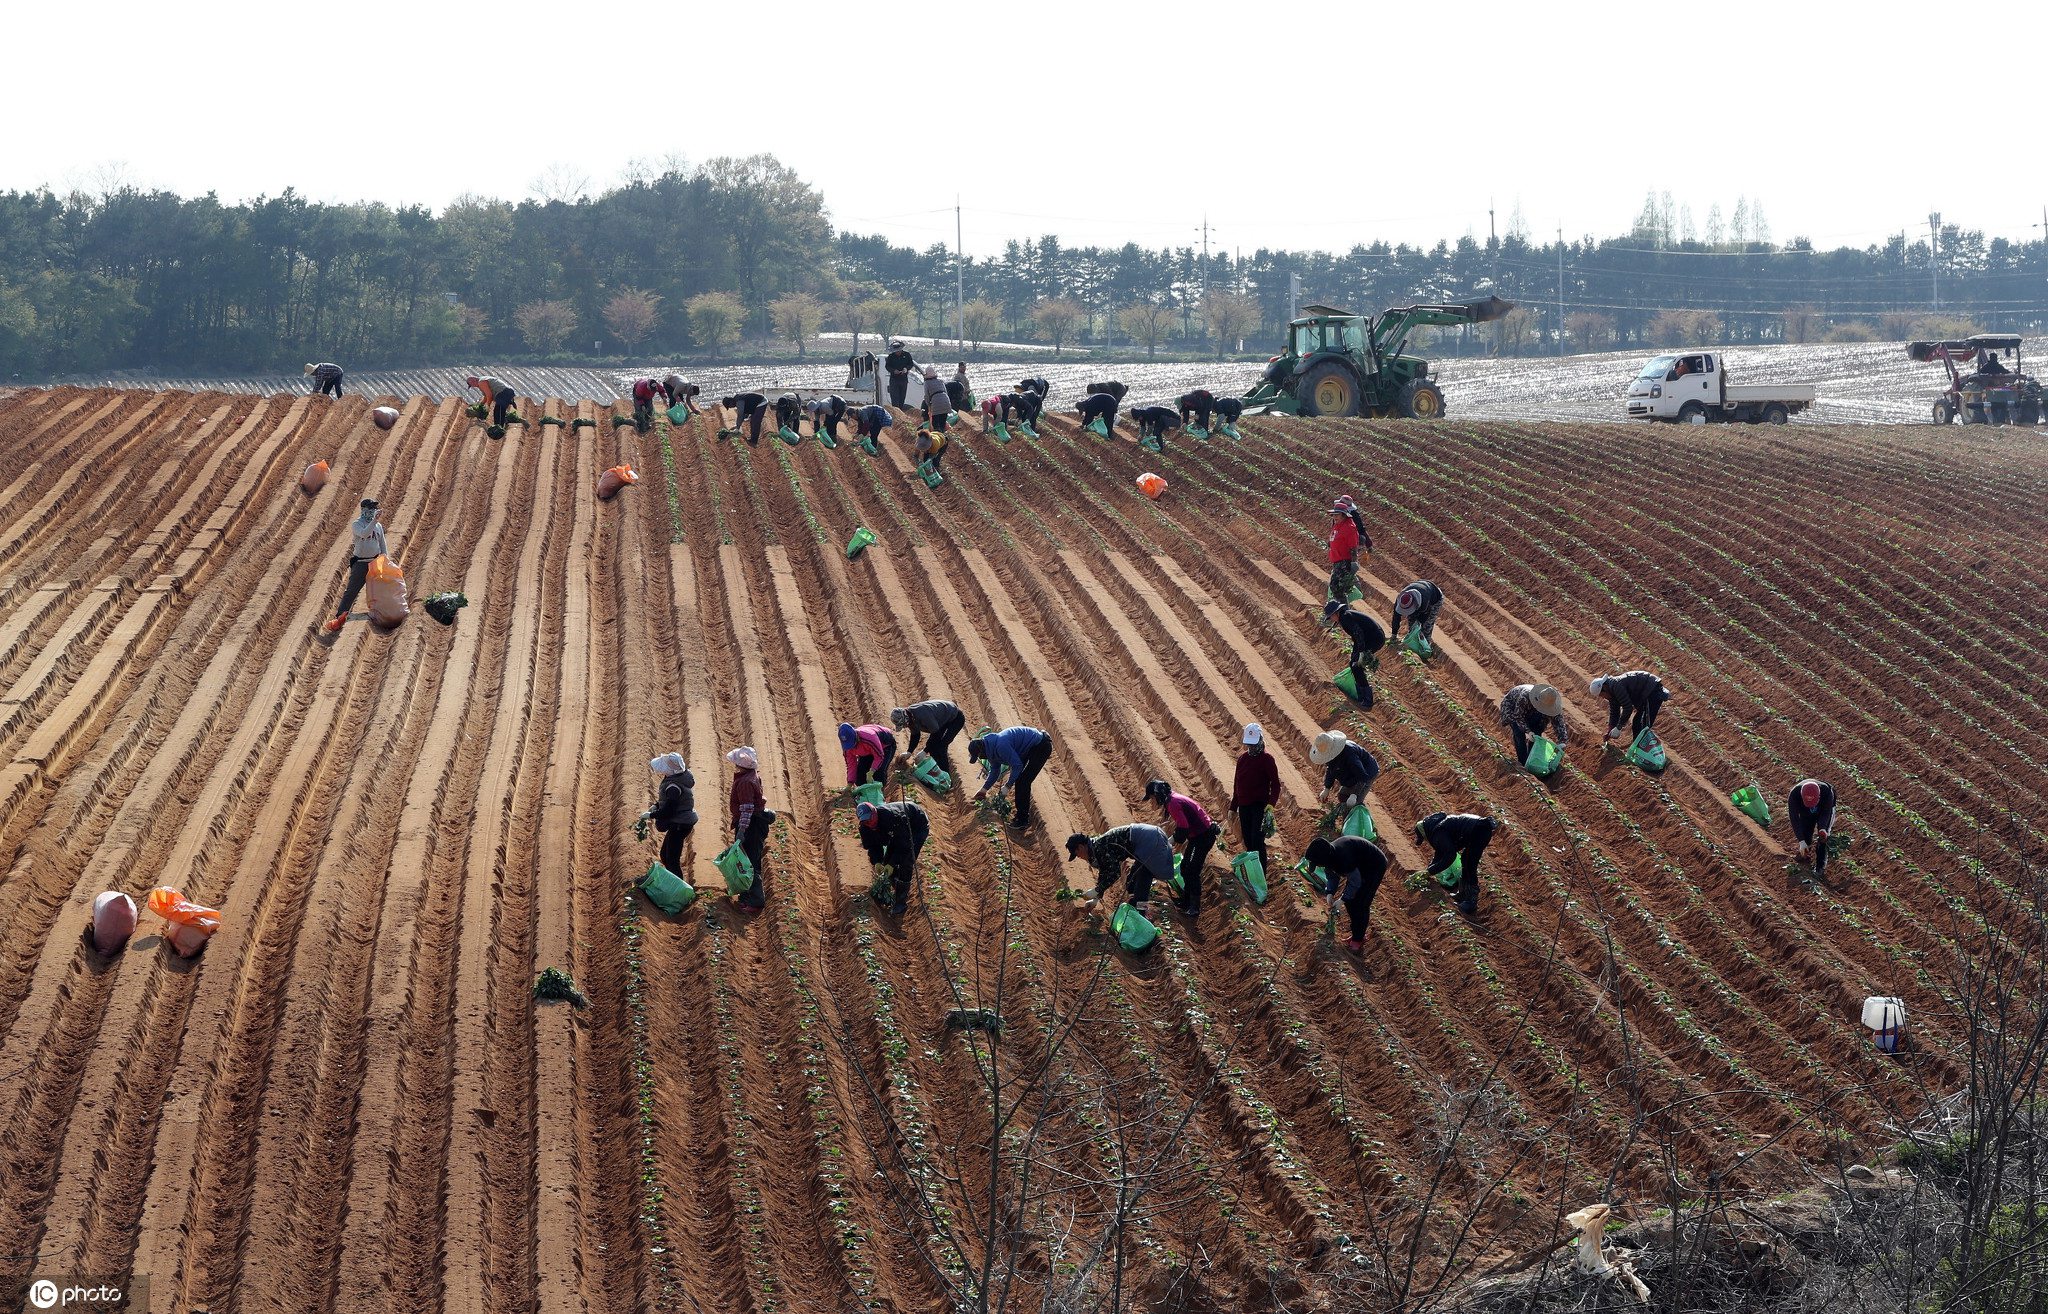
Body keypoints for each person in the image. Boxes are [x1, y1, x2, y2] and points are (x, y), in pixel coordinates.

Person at [1143, 779, 1219, 917]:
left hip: (1203, 837)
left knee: (1192, 870)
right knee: (1185, 867)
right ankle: (1186, 901)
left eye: (1153, 798)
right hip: (1198, 836)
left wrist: (1171, 841)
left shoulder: (1172, 803)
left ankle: (1194, 907)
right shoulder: (1172, 799)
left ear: (1158, 794)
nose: (1153, 801)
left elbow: (1183, 827)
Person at [1301, 835, 1389, 954]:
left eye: (1319, 864)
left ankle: (1358, 939)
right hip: (1360, 865)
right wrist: (1330, 893)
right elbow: (1332, 876)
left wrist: (1342, 899)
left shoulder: (1343, 858)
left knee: (1361, 903)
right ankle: (1356, 935)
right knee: (1351, 902)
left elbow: (1355, 882)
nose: (1319, 866)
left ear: (1325, 859)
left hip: (1374, 866)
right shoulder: (1329, 854)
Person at [1068, 824, 1176, 915]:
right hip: (1146, 839)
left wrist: (1096, 890)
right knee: (1131, 882)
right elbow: (1105, 872)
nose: (1079, 857)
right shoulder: (1095, 848)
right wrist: (1096, 898)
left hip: (1150, 840)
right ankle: (1134, 906)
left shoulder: (1099, 848)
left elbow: (1114, 872)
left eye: (1077, 854)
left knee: (1143, 879)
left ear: (1081, 847)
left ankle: (1141, 914)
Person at [324, 498, 389, 633]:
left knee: (380, 590)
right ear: (363, 509)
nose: (372, 511)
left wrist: (385, 559)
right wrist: (374, 521)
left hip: (375, 562)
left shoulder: (378, 527)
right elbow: (364, 534)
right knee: (351, 591)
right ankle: (340, 617)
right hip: (360, 563)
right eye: (370, 508)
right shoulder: (357, 524)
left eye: (374, 508)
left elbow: (382, 544)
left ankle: (383, 616)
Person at [969, 725, 1053, 829]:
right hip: (1028, 748)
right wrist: (983, 790)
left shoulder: (1000, 745)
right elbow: (995, 771)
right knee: (1019, 779)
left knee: (1023, 782)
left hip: (1040, 746)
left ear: (982, 749)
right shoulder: (990, 749)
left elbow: (1017, 765)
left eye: (979, 755)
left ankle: (1022, 821)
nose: (980, 757)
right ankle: (1020, 817)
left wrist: (1008, 786)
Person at [1415, 811, 1497, 916]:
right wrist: (1428, 870)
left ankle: (1471, 902)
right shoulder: (1439, 828)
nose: (1426, 841)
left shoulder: (1438, 832)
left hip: (1479, 830)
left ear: (1424, 833)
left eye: (1423, 838)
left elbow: (1450, 856)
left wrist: (1429, 872)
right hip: (1479, 828)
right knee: (1466, 860)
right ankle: (1463, 894)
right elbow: (1440, 853)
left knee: (1470, 863)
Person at [858, 799, 930, 915]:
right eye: (865, 822)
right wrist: (877, 861)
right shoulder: (865, 828)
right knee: (887, 861)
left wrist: (892, 864)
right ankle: (897, 886)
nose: (869, 823)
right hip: (897, 833)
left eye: (870, 819)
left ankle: (900, 902)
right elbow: (873, 845)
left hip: (916, 826)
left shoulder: (893, 817)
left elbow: (905, 845)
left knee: (906, 862)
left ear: (874, 812)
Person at [1231, 722, 1280, 869]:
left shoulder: (1267, 760)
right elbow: (1237, 784)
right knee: (1248, 839)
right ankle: (1252, 869)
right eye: (1248, 745)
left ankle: (1261, 872)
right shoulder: (1242, 759)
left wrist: (1271, 804)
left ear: (1260, 740)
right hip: (1244, 805)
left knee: (1257, 839)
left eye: (1253, 744)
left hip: (1260, 806)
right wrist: (1233, 807)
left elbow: (1276, 784)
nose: (1251, 748)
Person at [727, 746, 771, 911]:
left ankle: (756, 901)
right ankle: (746, 896)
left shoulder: (745, 782)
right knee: (747, 862)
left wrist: (742, 831)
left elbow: (747, 809)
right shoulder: (751, 775)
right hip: (754, 823)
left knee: (750, 864)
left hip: (751, 826)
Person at [641, 753, 698, 876]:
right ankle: (674, 884)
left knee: (672, 859)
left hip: (680, 824)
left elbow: (669, 810)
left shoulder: (673, 786)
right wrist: (656, 805)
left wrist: (652, 815)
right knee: (665, 856)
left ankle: (679, 891)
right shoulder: (677, 779)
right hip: (679, 822)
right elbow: (671, 802)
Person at [1324, 600, 1387, 709]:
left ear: (1336, 613)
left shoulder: (1345, 618)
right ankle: (1361, 694)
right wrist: (1356, 652)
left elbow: (1359, 633)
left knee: (1356, 666)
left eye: (1330, 617)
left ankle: (1367, 700)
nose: (1331, 619)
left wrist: (1361, 652)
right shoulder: (1345, 616)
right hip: (1370, 638)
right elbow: (1356, 636)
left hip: (1375, 639)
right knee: (1353, 664)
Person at [1589, 671, 1672, 744]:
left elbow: (1628, 708)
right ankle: (1638, 748)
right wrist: (1610, 730)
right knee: (1637, 724)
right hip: (1645, 695)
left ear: (1604, 688)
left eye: (1601, 695)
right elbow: (1614, 712)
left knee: (1644, 724)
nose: (1603, 697)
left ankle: (1644, 751)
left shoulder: (1616, 686)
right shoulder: (1611, 692)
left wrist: (1619, 727)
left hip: (1652, 690)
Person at [891, 699, 968, 777]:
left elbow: (936, 734)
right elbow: (915, 735)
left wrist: (925, 751)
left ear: (905, 718)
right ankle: (937, 774)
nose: (905, 726)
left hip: (955, 718)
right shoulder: (910, 717)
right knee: (933, 749)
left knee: (941, 747)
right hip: (942, 721)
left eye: (904, 725)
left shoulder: (923, 715)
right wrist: (909, 752)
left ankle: (946, 778)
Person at [1498, 683, 1568, 763]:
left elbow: (1559, 723)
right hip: (1513, 708)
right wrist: (1528, 731)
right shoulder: (1525, 697)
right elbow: (1518, 717)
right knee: (1519, 734)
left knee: (1537, 733)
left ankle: (1531, 760)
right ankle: (1523, 762)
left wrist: (1562, 741)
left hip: (1530, 711)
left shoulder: (1553, 706)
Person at [1310, 730, 1379, 808]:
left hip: (1367, 771)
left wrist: (1354, 795)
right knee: (1342, 796)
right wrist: (1327, 788)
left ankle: (1360, 817)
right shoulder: (1331, 756)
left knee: (1355, 804)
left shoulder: (1350, 755)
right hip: (1351, 772)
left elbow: (1361, 776)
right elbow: (1331, 770)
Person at [1787, 778, 1838, 878]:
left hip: (1824, 809)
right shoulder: (1794, 795)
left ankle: (1820, 866)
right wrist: (1801, 841)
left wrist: (1823, 828)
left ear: (1819, 797)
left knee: (1823, 837)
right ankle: (1805, 851)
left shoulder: (1827, 792)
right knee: (1806, 829)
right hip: (1804, 810)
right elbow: (1794, 819)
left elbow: (1826, 813)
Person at [839, 721, 897, 787]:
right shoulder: (847, 748)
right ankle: (863, 794)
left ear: (856, 736)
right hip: (867, 750)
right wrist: (850, 783)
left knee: (878, 773)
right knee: (860, 775)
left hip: (885, 746)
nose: (852, 747)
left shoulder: (869, 738)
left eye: (853, 744)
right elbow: (851, 765)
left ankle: (879, 794)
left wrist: (872, 771)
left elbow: (879, 756)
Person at [1389, 580, 1445, 646]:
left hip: (1435, 598)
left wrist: (1418, 631)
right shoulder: (1401, 599)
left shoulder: (1425, 602)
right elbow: (1396, 617)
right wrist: (1394, 634)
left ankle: (1425, 646)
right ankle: (1412, 643)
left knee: (1426, 626)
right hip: (1421, 589)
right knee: (1412, 623)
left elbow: (1422, 620)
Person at [1326, 500, 1361, 602]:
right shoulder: (1337, 525)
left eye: (1337, 514)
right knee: (1336, 587)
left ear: (1344, 515)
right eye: (1334, 514)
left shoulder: (1349, 528)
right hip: (1337, 561)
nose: (1335, 517)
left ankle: (1342, 607)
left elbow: (1353, 547)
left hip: (1344, 561)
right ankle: (1340, 607)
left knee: (1335, 586)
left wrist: (1354, 562)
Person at [921, 365, 954, 431]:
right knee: (942, 422)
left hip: (936, 402)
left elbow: (927, 396)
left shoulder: (927, 383)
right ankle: (943, 436)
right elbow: (946, 392)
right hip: (946, 401)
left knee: (935, 423)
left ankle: (937, 436)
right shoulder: (940, 381)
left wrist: (929, 406)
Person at [885, 340, 917, 408]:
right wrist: (893, 371)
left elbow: (911, 364)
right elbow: (887, 366)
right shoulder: (891, 356)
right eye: (896, 351)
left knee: (902, 397)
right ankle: (896, 411)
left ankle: (901, 410)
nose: (897, 352)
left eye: (898, 351)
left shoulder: (907, 355)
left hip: (903, 379)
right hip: (894, 379)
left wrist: (906, 369)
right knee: (894, 398)